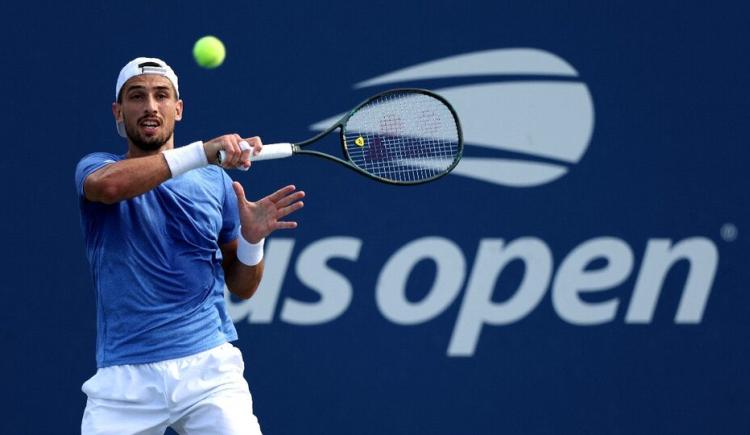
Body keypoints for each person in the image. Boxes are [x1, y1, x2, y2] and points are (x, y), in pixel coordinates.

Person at [75, 57, 303, 434]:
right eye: (137, 96)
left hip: (208, 371)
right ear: (119, 112)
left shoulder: (216, 183)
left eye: (161, 96)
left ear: (177, 109)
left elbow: (243, 287)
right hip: (123, 382)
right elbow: (109, 188)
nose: (150, 106)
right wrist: (203, 150)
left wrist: (251, 241)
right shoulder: (97, 167)